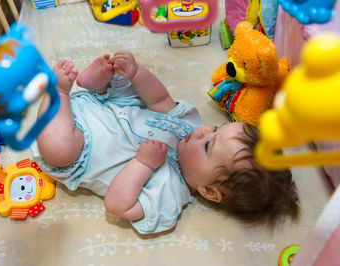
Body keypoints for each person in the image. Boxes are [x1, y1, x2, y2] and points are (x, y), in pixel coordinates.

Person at [31, 50, 299, 234]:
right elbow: (159, 100)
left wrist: (143, 164)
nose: (205, 130)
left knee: (58, 151)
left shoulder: (170, 196)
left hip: (81, 147)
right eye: (217, 129)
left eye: (209, 145)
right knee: (126, 85)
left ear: (208, 191)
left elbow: (117, 206)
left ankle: (60, 94)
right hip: (109, 106)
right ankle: (99, 83)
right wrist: (136, 73)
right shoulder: (189, 130)